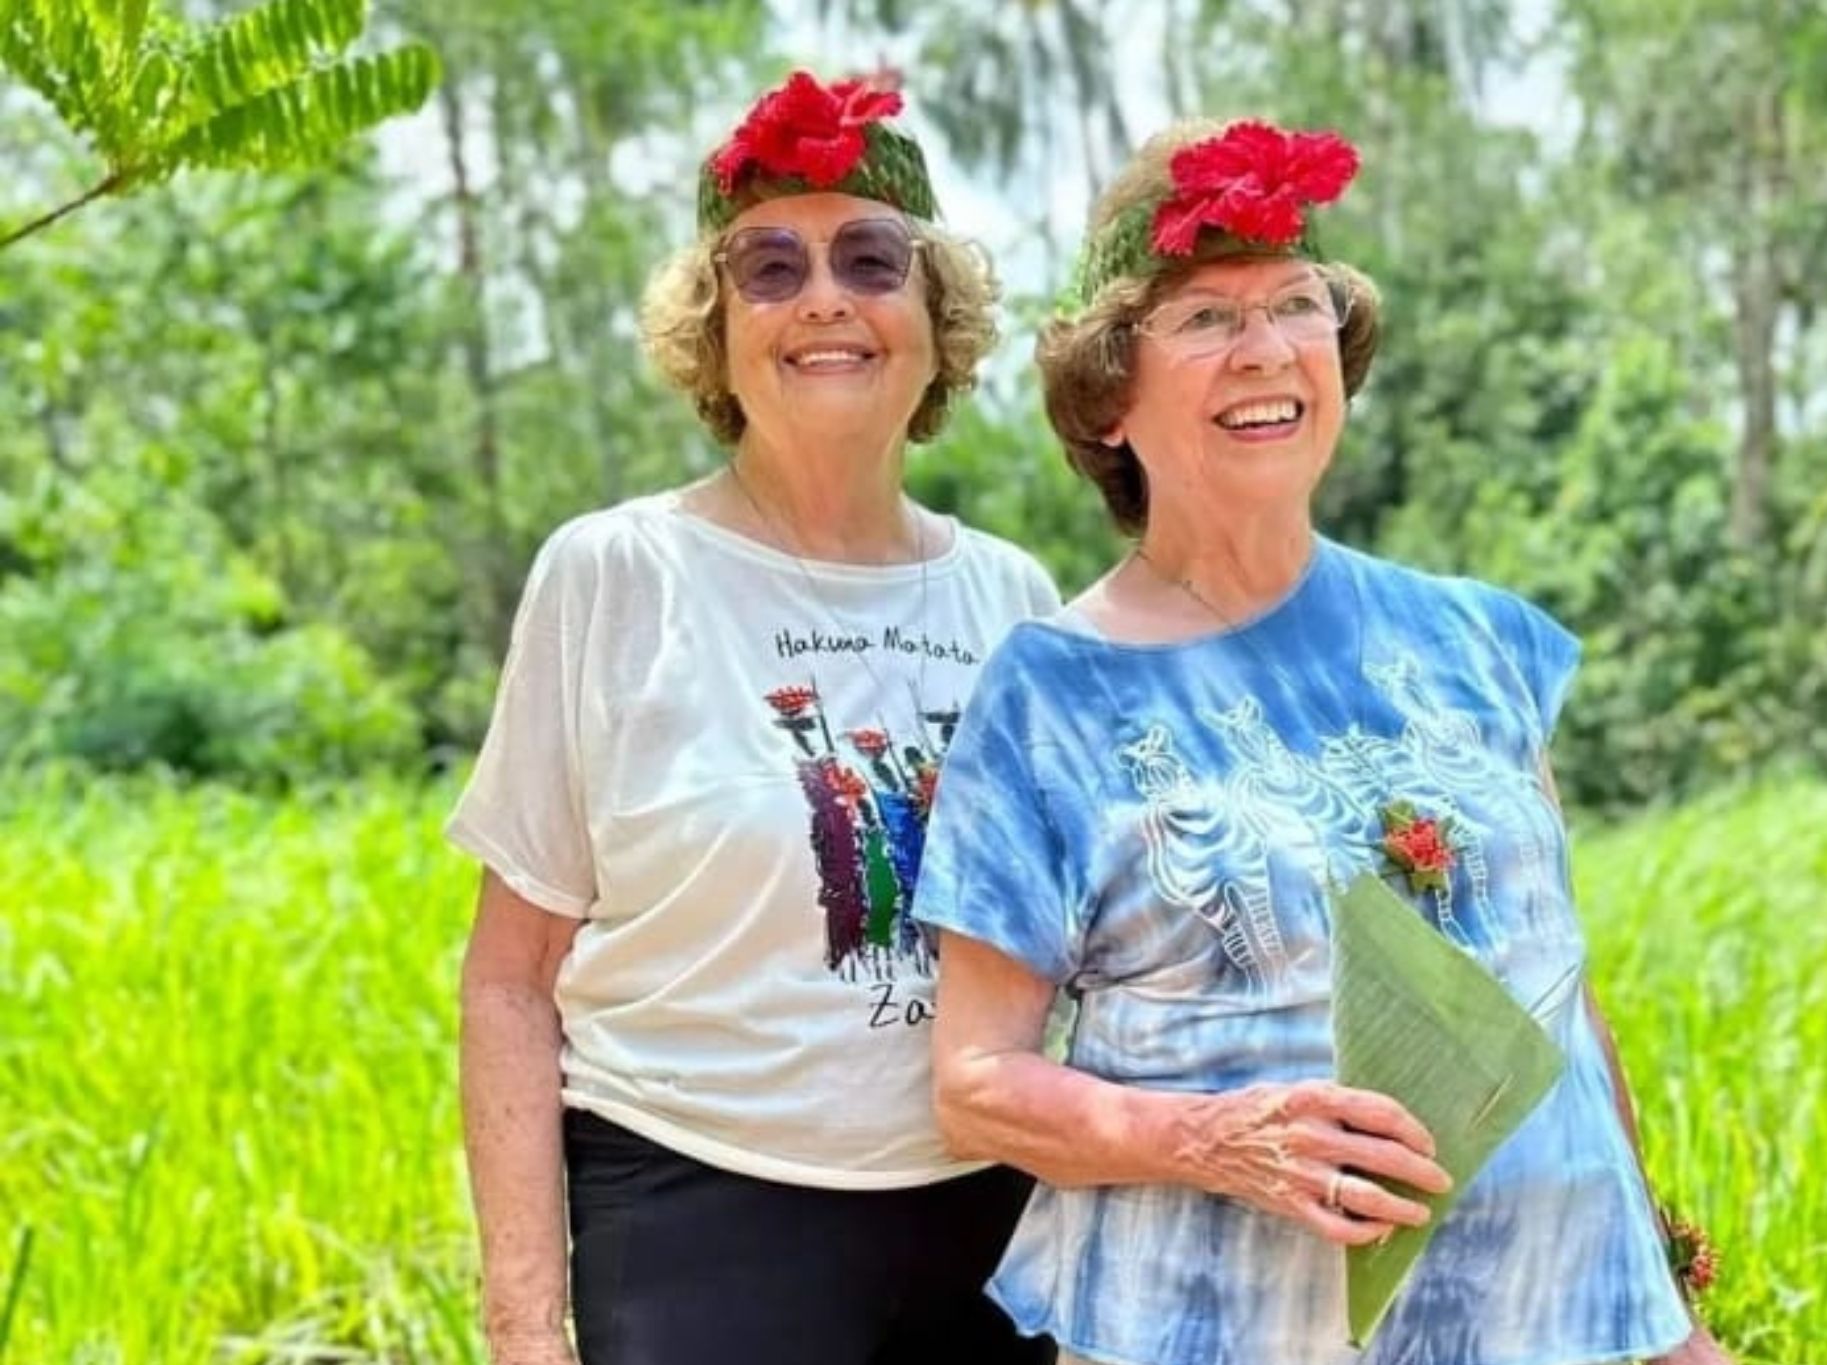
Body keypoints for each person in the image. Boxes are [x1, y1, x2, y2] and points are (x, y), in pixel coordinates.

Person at [912, 119, 1733, 1365]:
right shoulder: (1051, 696)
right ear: (1109, 399)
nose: (1265, 350)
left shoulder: (1474, 639)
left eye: (1296, 304)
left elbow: (1554, 990)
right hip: (1212, 1331)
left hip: (1549, 1327)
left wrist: (1660, 1316)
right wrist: (1214, 1138)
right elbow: (975, 1084)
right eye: (1202, 319)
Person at [449, 69, 1060, 1365]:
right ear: (714, 328)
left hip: (995, 1229)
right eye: (769, 267)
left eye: (870, 258)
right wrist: (523, 1326)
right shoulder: (615, 573)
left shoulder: (1011, 595)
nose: (826, 296)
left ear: (936, 313)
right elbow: (509, 981)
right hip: (697, 1216)